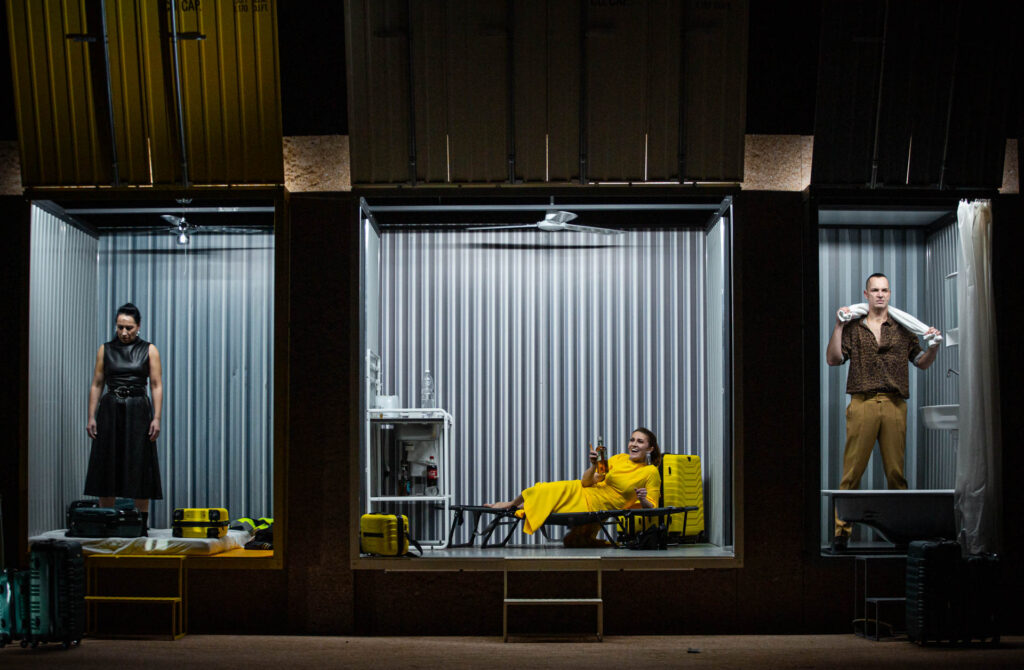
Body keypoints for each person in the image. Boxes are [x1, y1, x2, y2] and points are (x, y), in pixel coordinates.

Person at [826, 273, 940, 552]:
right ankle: (841, 534)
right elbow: (834, 359)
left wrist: (934, 347)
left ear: (889, 294)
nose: (880, 294)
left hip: (894, 404)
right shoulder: (854, 327)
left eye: (884, 290)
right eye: (875, 290)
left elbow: (921, 363)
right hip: (862, 402)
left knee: (896, 474)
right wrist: (838, 326)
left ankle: (901, 534)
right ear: (866, 294)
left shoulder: (903, 328)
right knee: (852, 473)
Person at [486, 428, 662, 546]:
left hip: (596, 505)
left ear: (650, 449)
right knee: (543, 489)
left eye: (640, 441)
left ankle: (513, 506)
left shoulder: (650, 472)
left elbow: (652, 507)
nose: (634, 444)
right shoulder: (618, 458)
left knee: (544, 498)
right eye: (632, 440)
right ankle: (511, 504)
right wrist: (593, 465)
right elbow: (586, 482)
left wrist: (642, 499)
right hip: (584, 490)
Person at [84, 303, 164, 534]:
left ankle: (141, 525)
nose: (124, 332)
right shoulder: (105, 349)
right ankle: (105, 523)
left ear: (138, 326)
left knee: (140, 463)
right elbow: (97, 383)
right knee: (106, 462)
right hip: (110, 410)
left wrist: (157, 418)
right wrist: (91, 416)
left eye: (129, 327)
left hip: (138, 409)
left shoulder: (149, 350)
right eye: (120, 327)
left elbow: (156, 385)